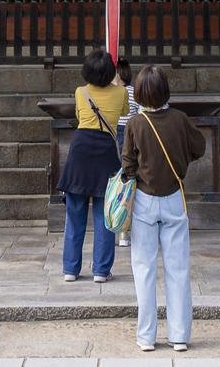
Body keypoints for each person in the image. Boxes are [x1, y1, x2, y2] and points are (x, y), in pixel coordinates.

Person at [121, 65, 205, 352]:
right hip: (173, 197)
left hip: (144, 198)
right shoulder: (180, 119)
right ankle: (179, 335)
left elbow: (127, 165)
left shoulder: (135, 124)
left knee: (143, 268)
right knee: (178, 269)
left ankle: (146, 336)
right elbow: (199, 147)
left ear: (140, 93)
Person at [58, 49, 125, 283]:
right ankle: (101, 270)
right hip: (105, 151)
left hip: (80, 151)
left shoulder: (81, 92)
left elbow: (79, 115)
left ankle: (70, 269)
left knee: (74, 215)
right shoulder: (121, 93)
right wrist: (115, 85)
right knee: (103, 216)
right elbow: (124, 112)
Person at [114, 58, 137, 248]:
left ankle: (123, 230)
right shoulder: (120, 92)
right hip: (121, 134)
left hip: (124, 134)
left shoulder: (127, 91)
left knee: (121, 183)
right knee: (122, 183)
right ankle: (122, 229)